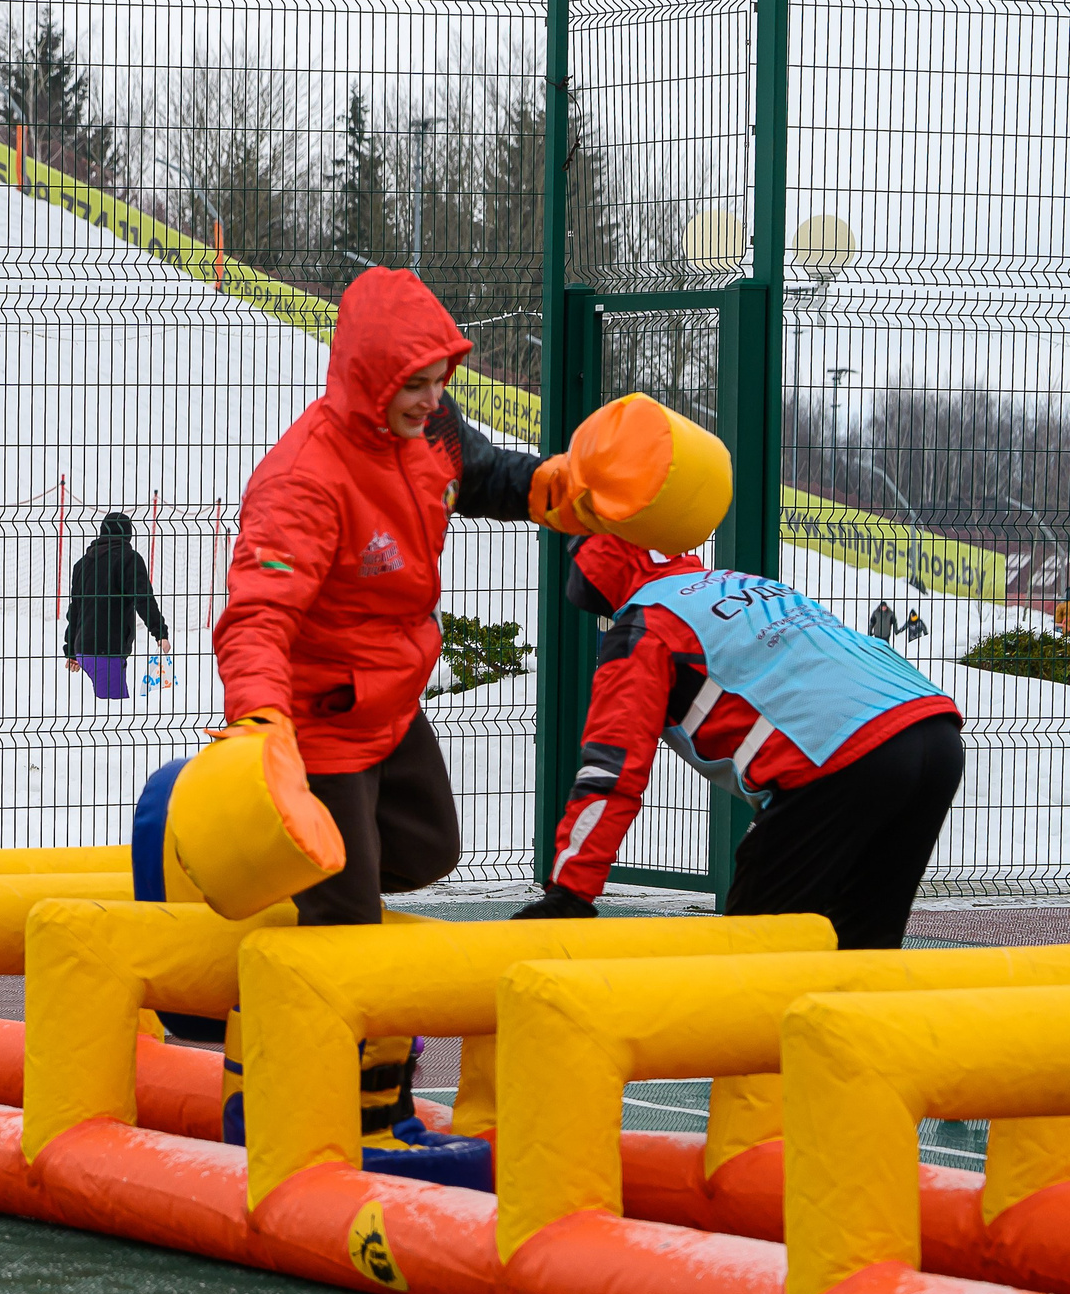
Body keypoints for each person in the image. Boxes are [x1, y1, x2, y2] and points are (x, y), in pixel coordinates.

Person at [213, 268, 551, 928]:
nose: (433, 399)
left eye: (440, 381)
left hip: (389, 698)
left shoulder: (430, 429)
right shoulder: (304, 481)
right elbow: (257, 615)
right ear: (369, 378)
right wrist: (261, 722)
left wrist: (556, 485)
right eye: (414, 384)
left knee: (431, 850)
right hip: (320, 718)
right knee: (345, 919)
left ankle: (283, 879)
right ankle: (317, 978)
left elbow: (482, 474)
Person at [519, 535, 964, 947]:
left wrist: (571, 895)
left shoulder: (645, 629)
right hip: (930, 727)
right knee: (861, 948)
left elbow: (611, 772)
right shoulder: (737, 582)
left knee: (750, 959)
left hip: (840, 755)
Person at [63, 511, 171, 701]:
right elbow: (143, 598)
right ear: (128, 535)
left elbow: (75, 610)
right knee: (114, 715)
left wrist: (72, 650)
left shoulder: (82, 564)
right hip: (107, 651)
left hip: (84, 650)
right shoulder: (129, 559)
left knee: (110, 712)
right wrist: (160, 633)